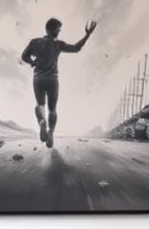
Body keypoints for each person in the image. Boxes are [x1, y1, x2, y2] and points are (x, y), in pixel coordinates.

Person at [20, 16, 97, 148]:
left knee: (40, 104)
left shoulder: (34, 42)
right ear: (51, 29)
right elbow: (76, 48)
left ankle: (41, 122)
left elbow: (23, 57)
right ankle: (51, 132)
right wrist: (87, 35)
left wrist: (32, 62)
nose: (59, 32)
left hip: (38, 78)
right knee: (52, 108)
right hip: (52, 80)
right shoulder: (58, 44)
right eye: (58, 29)